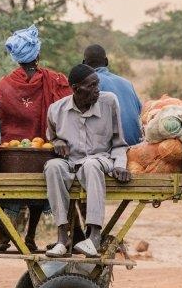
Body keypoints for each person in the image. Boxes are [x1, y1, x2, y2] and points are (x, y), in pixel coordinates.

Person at [0, 24, 72, 252]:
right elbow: (67, 110)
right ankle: (29, 236)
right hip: (45, 150)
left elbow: (0, 119)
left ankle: (3, 237)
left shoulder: (5, 84)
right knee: (39, 190)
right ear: (37, 54)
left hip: (13, 154)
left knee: (4, 189)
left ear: (16, 58)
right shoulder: (55, 79)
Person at [43, 64, 132, 258]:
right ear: (76, 89)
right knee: (52, 167)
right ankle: (62, 237)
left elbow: (119, 143)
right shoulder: (56, 110)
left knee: (91, 165)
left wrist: (120, 165)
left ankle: (94, 236)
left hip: (100, 159)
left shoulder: (109, 102)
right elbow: (51, 137)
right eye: (91, 86)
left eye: (97, 84)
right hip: (71, 162)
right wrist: (57, 142)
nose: (97, 90)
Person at [82, 44, 144, 146]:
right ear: (106, 61)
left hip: (113, 148)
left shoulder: (87, 85)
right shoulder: (127, 83)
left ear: (84, 64)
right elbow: (140, 114)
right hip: (136, 145)